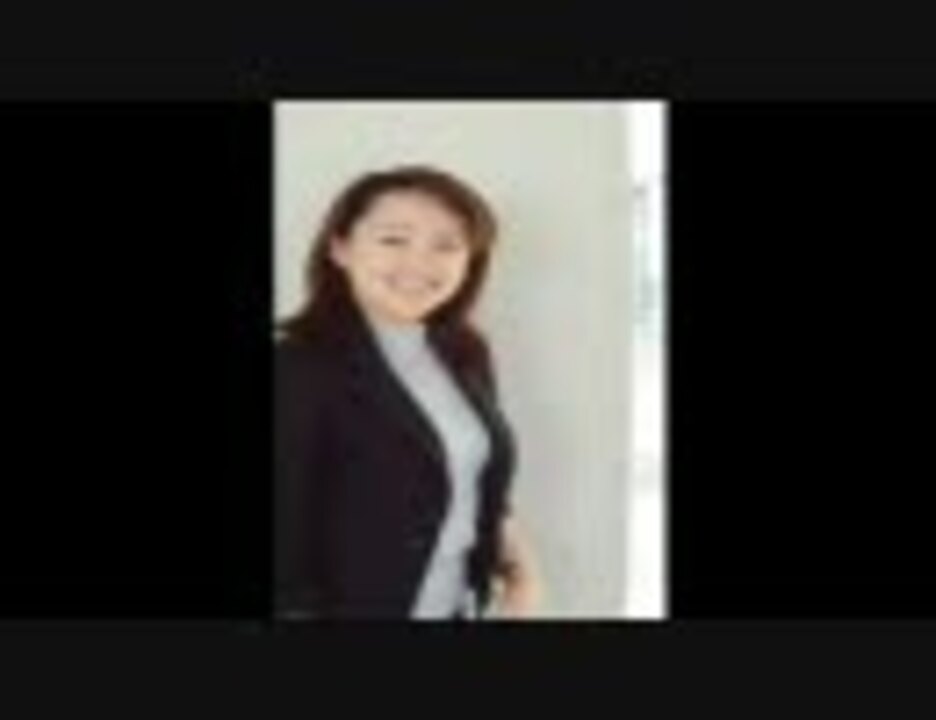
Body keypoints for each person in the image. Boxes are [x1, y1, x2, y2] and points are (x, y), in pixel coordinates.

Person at [274, 165, 540, 620]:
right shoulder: (295, 366)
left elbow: (476, 479)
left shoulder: (465, 352)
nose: (420, 263)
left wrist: (524, 574)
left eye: (446, 245)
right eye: (393, 240)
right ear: (340, 248)